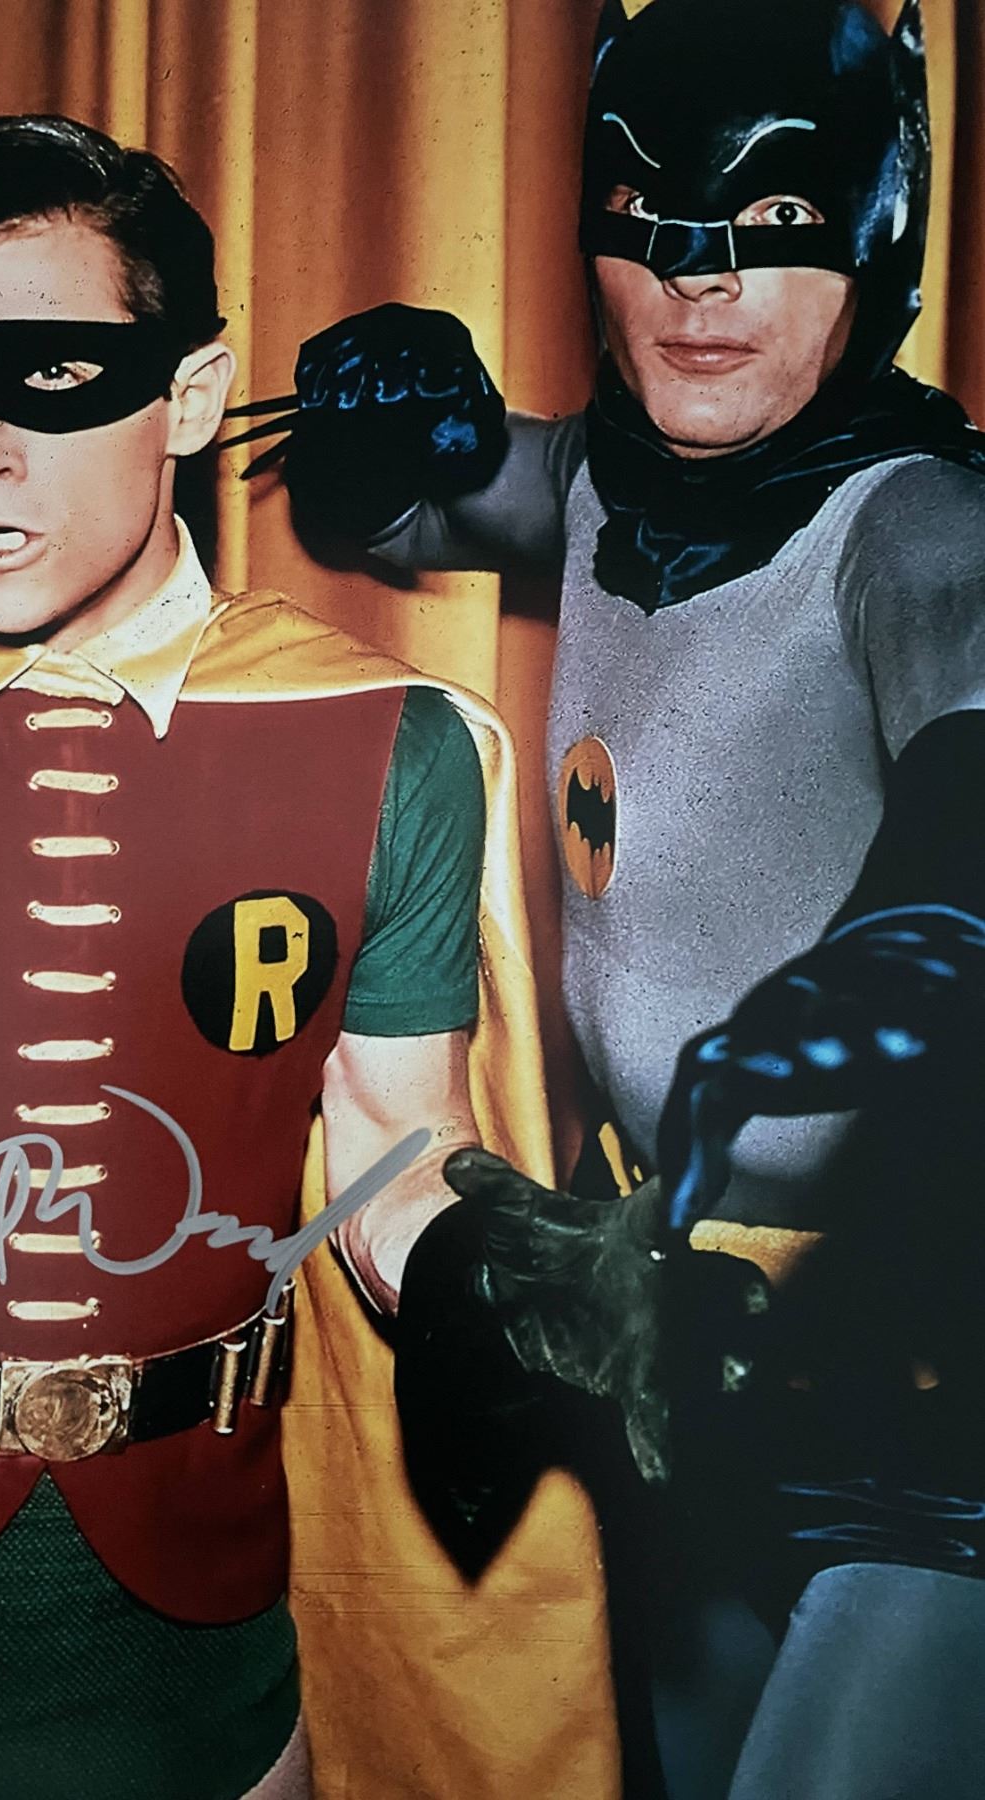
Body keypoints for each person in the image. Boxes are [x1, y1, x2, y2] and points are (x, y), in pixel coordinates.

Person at [0, 114, 606, 1800]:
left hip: (197, 1658)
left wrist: (532, 1285)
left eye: (52, 380)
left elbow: (395, 1150)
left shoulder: (387, 743)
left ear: (192, 394)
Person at [255, 1, 985, 1795]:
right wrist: (386, 416)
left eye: (773, 225)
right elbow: (398, 517)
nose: (696, 280)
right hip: (672, 1332)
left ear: (878, 239)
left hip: (914, 1360)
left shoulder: (918, 523)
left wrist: (913, 943)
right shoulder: (607, 475)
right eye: (648, 223)